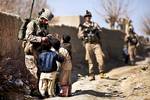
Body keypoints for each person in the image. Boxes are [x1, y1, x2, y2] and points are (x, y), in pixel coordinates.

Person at [24, 8, 54, 94]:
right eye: (46, 20)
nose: (47, 22)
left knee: (41, 72)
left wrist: (48, 36)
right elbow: (28, 37)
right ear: (42, 18)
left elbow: (46, 34)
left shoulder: (44, 25)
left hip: (39, 52)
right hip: (31, 52)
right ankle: (34, 91)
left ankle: (39, 91)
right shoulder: (32, 24)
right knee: (34, 72)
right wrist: (41, 39)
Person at [78, 10, 106, 80]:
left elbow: (100, 31)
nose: (88, 18)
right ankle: (91, 74)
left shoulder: (95, 24)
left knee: (100, 59)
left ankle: (102, 72)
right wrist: (84, 33)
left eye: (89, 16)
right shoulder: (82, 26)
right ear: (85, 18)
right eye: (87, 17)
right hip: (88, 44)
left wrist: (95, 30)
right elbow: (79, 36)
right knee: (90, 61)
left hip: (96, 44)